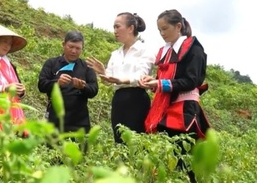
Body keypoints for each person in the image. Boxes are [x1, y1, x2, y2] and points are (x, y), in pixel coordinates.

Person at [139, 9, 211, 183]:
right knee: (167, 156)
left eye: (165, 29)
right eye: (159, 30)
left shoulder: (193, 49)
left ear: (178, 26)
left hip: (184, 110)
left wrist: (161, 84)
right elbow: (165, 80)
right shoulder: (167, 51)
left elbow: (191, 80)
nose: (162, 33)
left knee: (183, 160)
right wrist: (153, 82)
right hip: (166, 108)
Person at [86, 12, 155, 143]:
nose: (115, 31)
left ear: (130, 28)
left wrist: (120, 80)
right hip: (118, 100)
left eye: (118, 27)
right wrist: (103, 73)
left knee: (137, 141)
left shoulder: (145, 50)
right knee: (119, 140)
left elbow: (142, 75)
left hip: (137, 99)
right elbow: (109, 81)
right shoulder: (115, 54)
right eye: (114, 27)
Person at [38, 30, 99, 134]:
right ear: (63, 44)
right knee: (53, 148)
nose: (74, 51)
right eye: (71, 47)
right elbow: (41, 85)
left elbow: (94, 90)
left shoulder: (87, 67)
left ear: (82, 49)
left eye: (78, 48)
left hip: (80, 122)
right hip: (55, 119)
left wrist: (83, 87)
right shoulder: (51, 63)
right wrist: (57, 83)